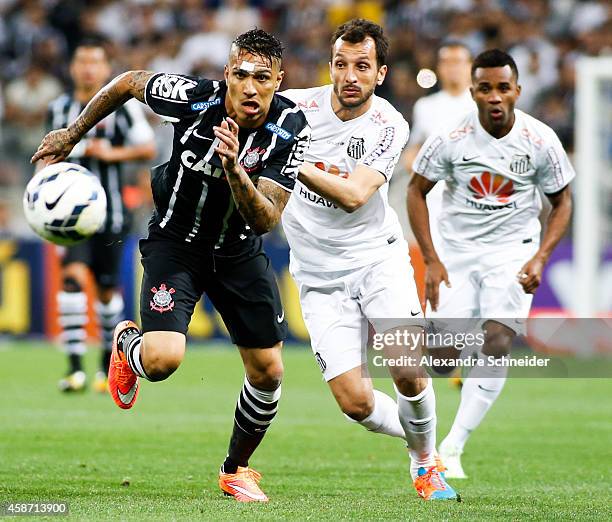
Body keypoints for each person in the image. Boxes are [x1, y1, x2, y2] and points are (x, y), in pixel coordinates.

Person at [32, 29, 311, 503]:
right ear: (226, 74)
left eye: (261, 78)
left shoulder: (291, 128)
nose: (248, 86)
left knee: (268, 371)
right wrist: (73, 133)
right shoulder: (194, 99)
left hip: (239, 251)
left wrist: (235, 170)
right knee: (163, 361)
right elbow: (126, 82)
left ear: (278, 80)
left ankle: (236, 470)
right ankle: (128, 345)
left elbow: (267, 218)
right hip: (176, 245)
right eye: (239, 75)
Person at [280, 19, 458, 501]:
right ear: (330, 67)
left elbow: (356, 194)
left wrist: (290, 162)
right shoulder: (292, 109)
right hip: (317, 275)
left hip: (377, 260)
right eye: (341, 64)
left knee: (406, 366)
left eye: (363, 66)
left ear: (380, 74)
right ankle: (422, 440)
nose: (350, 76)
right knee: (354, 403)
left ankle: (424, 465)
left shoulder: (389, 123)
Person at [407, 49, 574, 479]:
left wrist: (540, 256)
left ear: (517, 91)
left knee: (498, 340)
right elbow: (415, 191)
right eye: (485, 88)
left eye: (503, 88)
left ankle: (453, 446)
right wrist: (431, 259)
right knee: (442, 358)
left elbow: (562, 202)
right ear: (473, 91)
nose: (495, 97)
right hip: (456, 252)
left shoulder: (540, 140)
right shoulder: (450, 137)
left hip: (512, 252)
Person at [43, 39, 156, 393]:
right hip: (68, 216)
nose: (88, 68)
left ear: (106, 69)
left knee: (107, 291)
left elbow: (148, 146)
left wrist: (110, 153)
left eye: (95, 62)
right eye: (82, 61)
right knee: (73, 280)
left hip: (110, 213)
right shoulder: (58, 108)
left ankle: (106, 366)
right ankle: (75, 368)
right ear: (73, 67)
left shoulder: (122, 109)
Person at [402, 42, 474, 252]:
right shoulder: (426, 106)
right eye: (446, 62)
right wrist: (413, 166)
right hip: (434, 198)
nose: (452, 68)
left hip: (473, 196)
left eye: (458, 62)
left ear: (470, 67)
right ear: (439, 68)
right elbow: (414, 148)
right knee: (437, 262)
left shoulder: (482, 104)